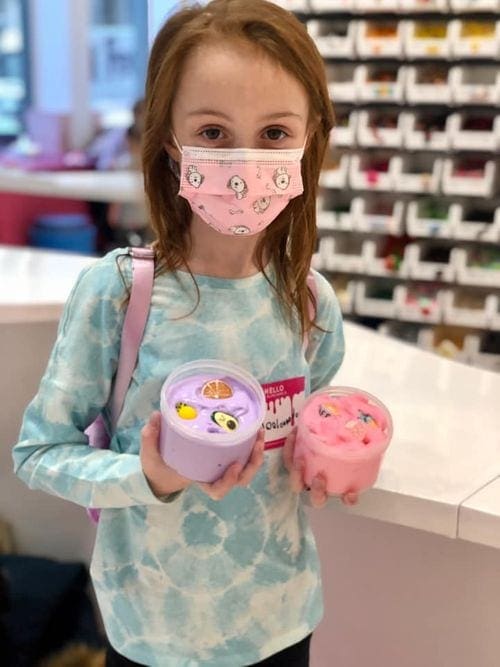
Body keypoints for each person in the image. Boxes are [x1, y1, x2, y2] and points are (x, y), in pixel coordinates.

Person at [13, 1, 357, 665]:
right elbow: (38, 454)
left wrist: (321, 467)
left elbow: (301, 448)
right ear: (170, 139)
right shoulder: (118, 295)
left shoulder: (309, 303)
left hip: (280, 624)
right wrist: (150, 473)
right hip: (151, 635)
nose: (245, 162)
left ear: (312, 135)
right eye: (215, 132)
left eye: (275, 133)